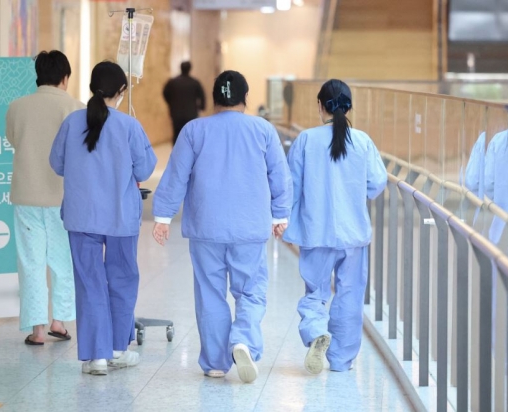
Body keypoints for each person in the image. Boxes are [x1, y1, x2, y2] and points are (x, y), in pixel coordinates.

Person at [152, 70, 292, 383]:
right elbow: (279, 176)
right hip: (248, 228)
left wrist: (162, 216)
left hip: (206, 227)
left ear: (215, 100)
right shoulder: (263, 130)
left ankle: (215, 362)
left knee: (210, 293)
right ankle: (242, 339)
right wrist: (280, 215)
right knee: (251, 292)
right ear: (245, 98)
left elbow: (176, 175)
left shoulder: (193, 130)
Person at [49, 61, 157, 375]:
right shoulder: (129, 126)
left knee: (89, 282)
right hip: (121, 218)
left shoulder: (72, 123)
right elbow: (145, 169)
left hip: (82, 217)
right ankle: (117, 350)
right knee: (122, 279)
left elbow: (57, 163)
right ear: (121, 91)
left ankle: (96, 356)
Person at [282, 79, 387, 374]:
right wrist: (357, 193)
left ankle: (316, 330)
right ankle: (341, 360)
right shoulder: (363, 141)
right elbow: (378, 182)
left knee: (315, 291)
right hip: (353, 235)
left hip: (316, 234)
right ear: (350, 107)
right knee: (349, 295)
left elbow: (292, 186)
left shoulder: (306, 140)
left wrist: (285, 225)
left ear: (319, 107)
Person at [6, 50, 84, 346]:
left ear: (38, 75)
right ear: (65, 78)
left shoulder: (17, 106)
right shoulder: (76, 108)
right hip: (64, 196)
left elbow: (14, 139)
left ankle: (37, 330)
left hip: (26, 194)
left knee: (31, 262)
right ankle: (59, 321)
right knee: (63, 260)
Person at [162, 61, 206, 145]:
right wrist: (201, 107)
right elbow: (202, 96)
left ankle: (177, 153)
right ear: (190, 69)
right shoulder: (194, 82)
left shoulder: (172, 82)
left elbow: (165, 93)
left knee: (177, 134)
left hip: (176, 113)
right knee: (191, 135)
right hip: (191, 113)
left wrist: (170, 103)